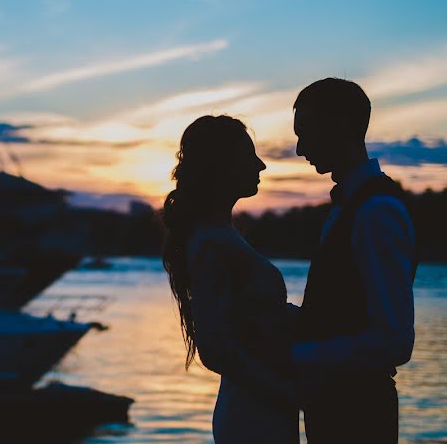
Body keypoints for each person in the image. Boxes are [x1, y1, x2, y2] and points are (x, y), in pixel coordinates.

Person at [289, 78, 416, 443]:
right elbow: (343, 311)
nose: (299, 149)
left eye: (306, 132)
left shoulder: (376, 212)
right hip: (336, 409)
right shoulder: (353, 206)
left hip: (358, 416)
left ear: (340, 126)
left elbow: (393, 340)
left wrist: (299, 355)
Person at [162, 115, 298, 444]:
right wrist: (289, 394)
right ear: (220, 166)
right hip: (252, 413)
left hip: (264, 406)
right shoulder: (212, 244)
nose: (261, 165)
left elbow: (251, 321)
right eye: (248, 156)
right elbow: (215, 349)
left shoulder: (222, 236)